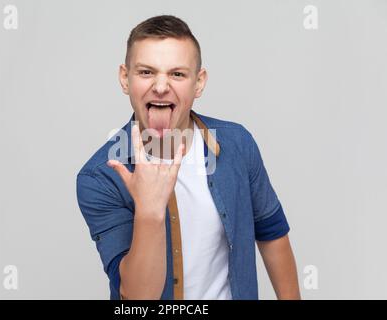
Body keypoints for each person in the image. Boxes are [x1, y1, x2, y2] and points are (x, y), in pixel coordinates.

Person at [76, 15, 301, 300]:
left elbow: (271, 231)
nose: (160, 86)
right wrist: (149, 211)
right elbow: (137, 297)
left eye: (177, 74)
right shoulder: (100, 177)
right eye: (146, 72)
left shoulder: (237, 144)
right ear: (125, 78)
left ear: (199, 82)